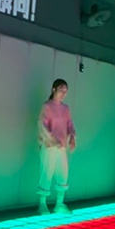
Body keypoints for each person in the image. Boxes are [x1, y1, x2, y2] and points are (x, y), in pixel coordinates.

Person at [36, 78, 76, 215]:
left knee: (63, 173)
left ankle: (59, 204)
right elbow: (42, 124)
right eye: (61, 90)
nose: (63, 94)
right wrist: (50, 139)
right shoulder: (47, 106)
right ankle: (42, 204)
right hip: (49, 146)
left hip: (61, 147)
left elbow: (69, 124)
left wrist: (72, 137)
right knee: (46, 173)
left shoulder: (65, 108)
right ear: (54, 89)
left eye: (65, 91)